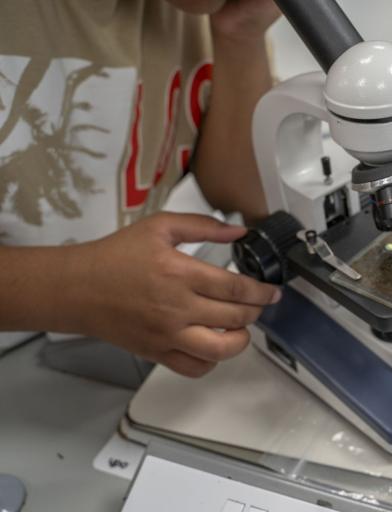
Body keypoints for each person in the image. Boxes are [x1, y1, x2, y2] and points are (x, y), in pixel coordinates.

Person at [0, 0, 282, 378]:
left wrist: (241, 36)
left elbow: (241, 193)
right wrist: (77, 287)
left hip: (84, 351)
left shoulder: (197, 16)